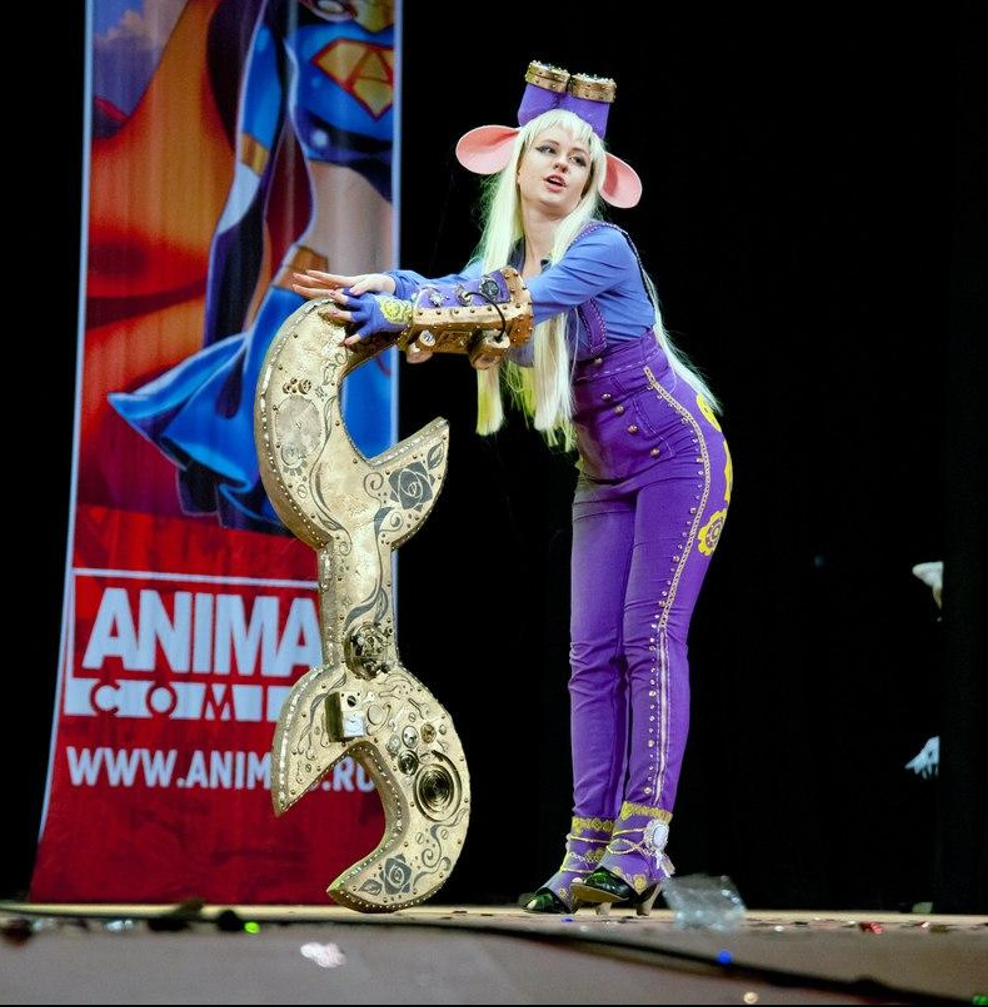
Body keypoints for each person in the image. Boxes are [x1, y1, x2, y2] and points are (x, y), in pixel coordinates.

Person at [290, 61, 732, 914]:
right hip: (604, 474)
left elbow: (515, 307)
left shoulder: (601, 250)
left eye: (579, 157)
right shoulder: (503, 269)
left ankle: (641, 846)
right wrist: (392, 288)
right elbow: (475, 297)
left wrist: (406, 310)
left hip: (681, 459)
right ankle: (583, 854)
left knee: (649, 638)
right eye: (549, 151)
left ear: (594, 180)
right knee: (588, 658)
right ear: (516, 162)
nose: (563, 165)